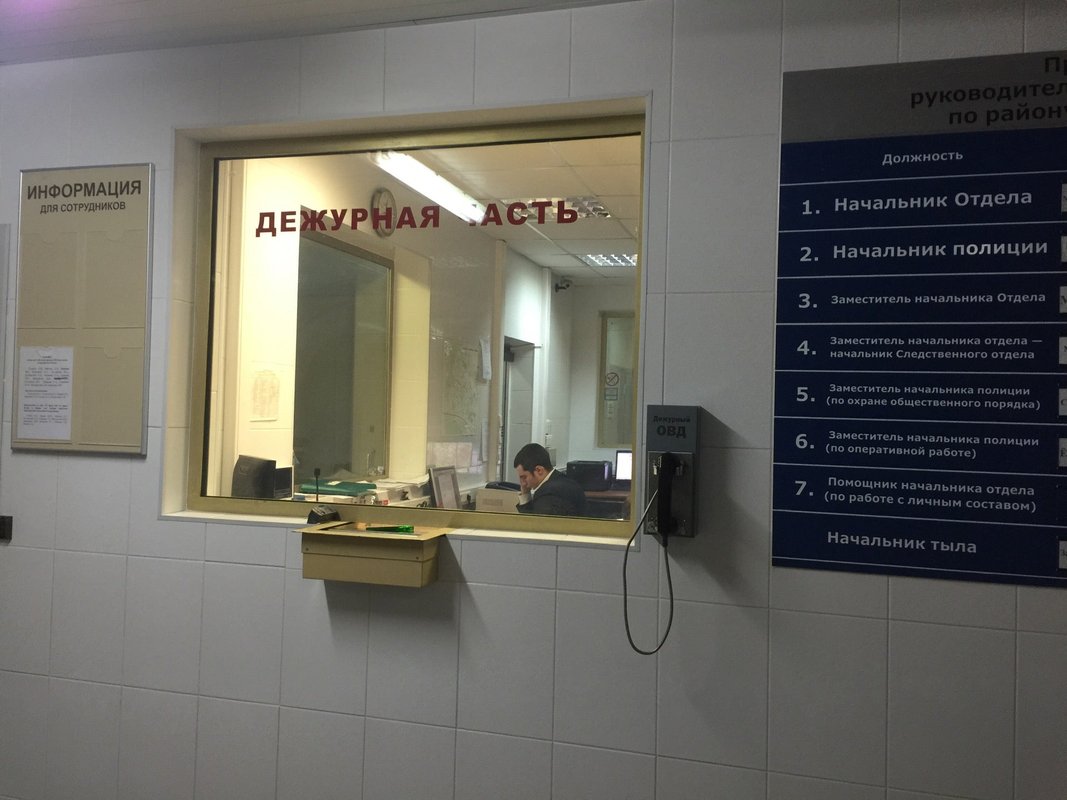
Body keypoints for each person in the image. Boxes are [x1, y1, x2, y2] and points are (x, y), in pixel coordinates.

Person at [513, 442, 587, 516]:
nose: (523, 483)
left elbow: (531, 522)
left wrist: (525, 496)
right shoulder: (564, 481)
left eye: (524, 477)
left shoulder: (548, 494)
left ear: (539, 470)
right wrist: (525, 494)